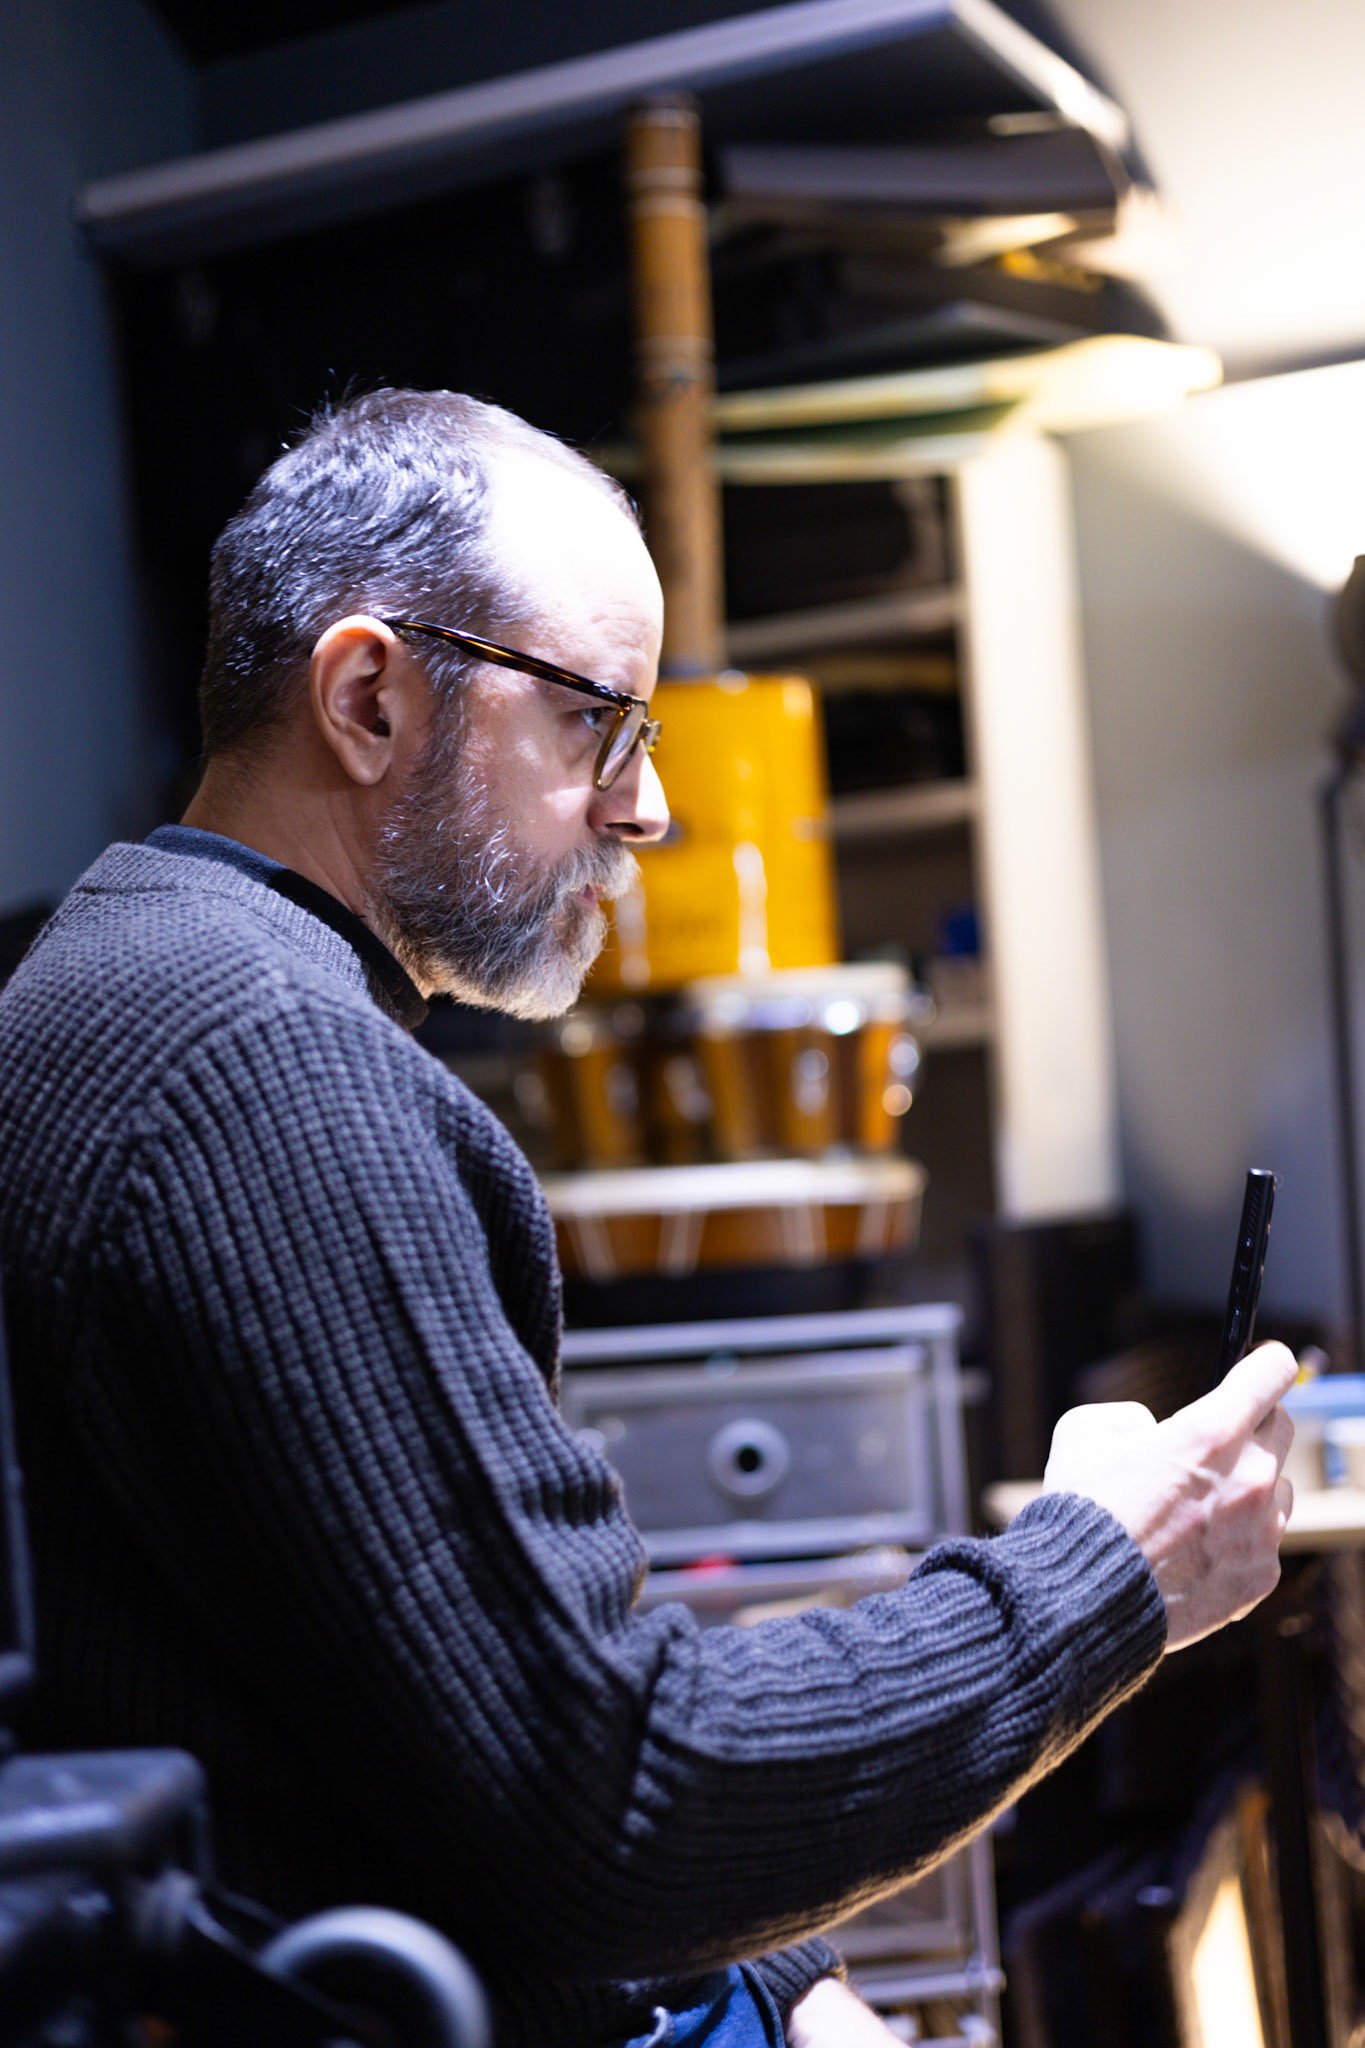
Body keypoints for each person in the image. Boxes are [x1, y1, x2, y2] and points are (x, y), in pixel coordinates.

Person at [0, 388, 1295, 2048]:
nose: (646, 811)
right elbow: (613, 1806)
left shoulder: (121, 975)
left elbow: (427, 1736)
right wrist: (1106, 1571)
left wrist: (776, 1984)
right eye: (592, 726)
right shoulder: (265, 1072)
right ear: (369, 699)